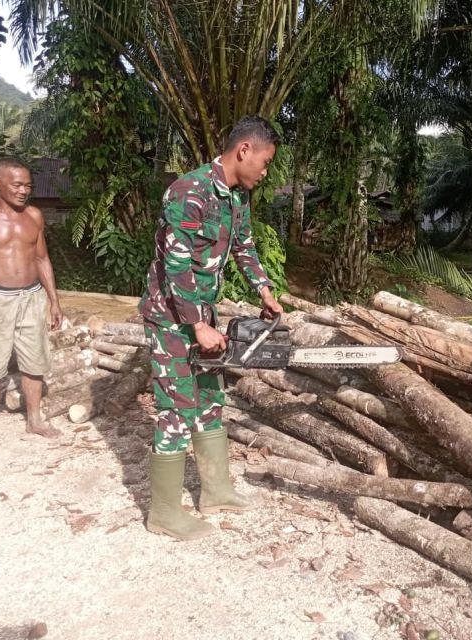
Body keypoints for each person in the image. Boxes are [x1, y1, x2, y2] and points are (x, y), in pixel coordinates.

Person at [140, 116, 283, 540]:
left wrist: (264, 289)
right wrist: (197, 325)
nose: (265, 170)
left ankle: (216, 491)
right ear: (244, 151)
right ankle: (164, 513)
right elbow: (175, 264)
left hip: (203, 315)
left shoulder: (236, 198)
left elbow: (243, 246)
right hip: (171, 318)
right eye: (265, 161)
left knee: (209, 399)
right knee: (176, 409)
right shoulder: (189, 191)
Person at [0, 157, 63, 457]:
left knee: (34, 361)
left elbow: (42, 259)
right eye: (16, 184)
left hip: (32, 297)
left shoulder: (34, 215)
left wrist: (54, 300)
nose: (23, 191)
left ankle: (34, 420)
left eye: (27, 185)